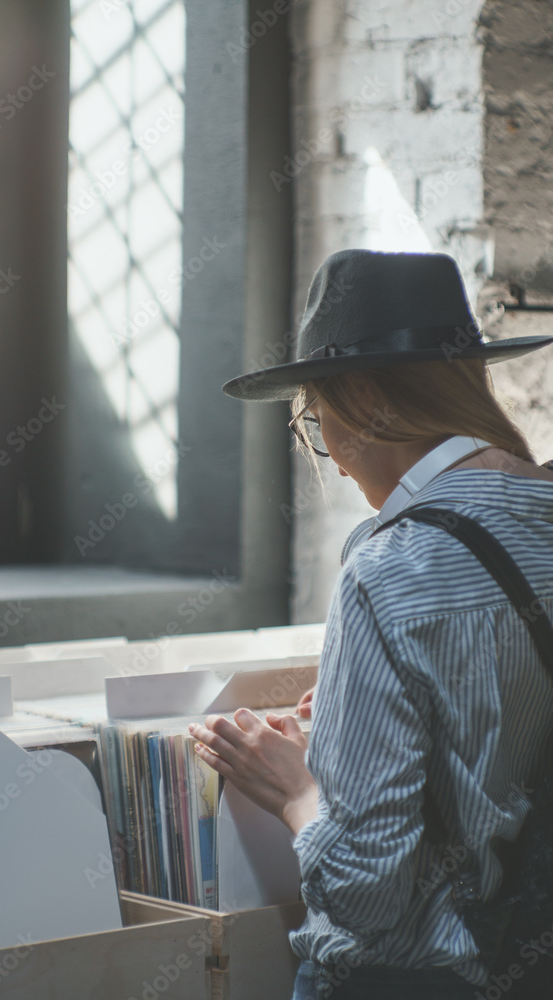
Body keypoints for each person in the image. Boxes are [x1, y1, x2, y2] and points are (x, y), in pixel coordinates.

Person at [187, 249, 553, 999]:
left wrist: (295, 790)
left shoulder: (391, 567)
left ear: (357, 398)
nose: (334, 459)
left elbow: (365, 895)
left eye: (313, 421)